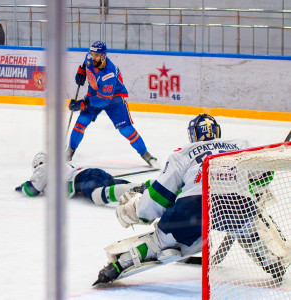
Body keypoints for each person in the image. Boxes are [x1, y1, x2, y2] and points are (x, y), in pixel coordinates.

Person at [93, 113, 287, 285]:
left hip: (194, 208)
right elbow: (264, 175)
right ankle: (272, 263)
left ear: (192, 135)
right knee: (247, 227)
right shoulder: (240, 145)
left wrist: (139, 213)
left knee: (160, 242)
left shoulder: (183, 153)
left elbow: (159, 197)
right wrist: (247, 184)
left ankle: (119, 266)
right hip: (239, 204)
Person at [66, 41, 158, 168]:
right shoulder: (89, 58)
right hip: (95, 95)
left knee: (125, 129)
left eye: (97, 55)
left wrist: (82, 104)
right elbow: (85, 66)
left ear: (103, 56)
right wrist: (81, 73)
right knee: (81, 122)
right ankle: (70, 151)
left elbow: (103, 100)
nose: (93, 57)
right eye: (92, 54)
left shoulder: (109, 73)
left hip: (114, 99)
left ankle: (147, 155)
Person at [15, 151, 145, 206]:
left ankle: (137, 189)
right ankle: (146, 187)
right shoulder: (62, 166)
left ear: (39, 163)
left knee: (97, 197)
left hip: (85, 179)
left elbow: (32, 189)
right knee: (113, 185)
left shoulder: (44, 167)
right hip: (92, 174)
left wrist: (21, 187)